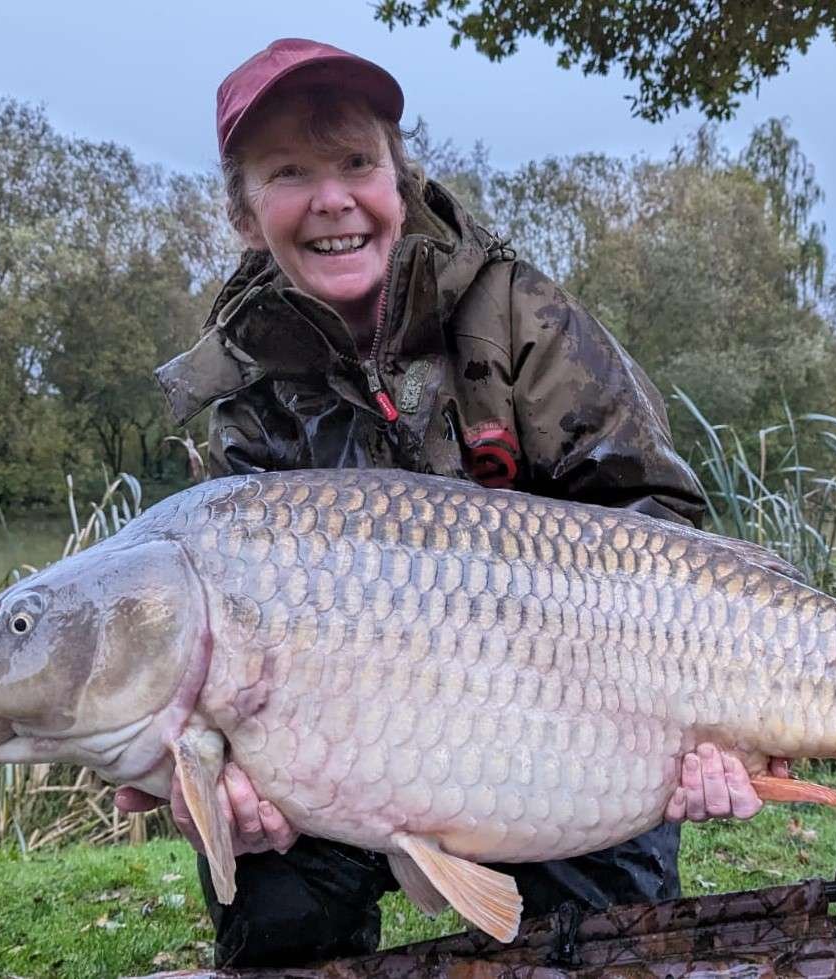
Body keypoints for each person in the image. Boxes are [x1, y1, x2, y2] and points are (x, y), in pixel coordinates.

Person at [117, 38, 763, 968]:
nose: (332, 199)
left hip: (573, 733)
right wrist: (216, 783)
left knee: (604, 940)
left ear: (399, 178)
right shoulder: (245, 393)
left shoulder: (519, 314)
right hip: (338, 754)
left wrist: (698, 710)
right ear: (245, 213)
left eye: (356, 162)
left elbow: (653, 514)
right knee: (272, 902)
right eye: (289, 173)